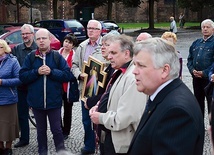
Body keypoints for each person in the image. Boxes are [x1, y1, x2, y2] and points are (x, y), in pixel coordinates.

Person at [128, 37, 204, 155]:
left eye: (141, 66)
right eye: (134, 64)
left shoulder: (176, 112)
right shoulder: (165, 95)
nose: (134, 71)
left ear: (164, 70)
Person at [89, 34, 147, 155]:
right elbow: (112, 96)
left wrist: (99, 117)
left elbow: (125, 117)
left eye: (113, 53)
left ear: (126, 53)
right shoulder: (121, 71)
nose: (109, 57)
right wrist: (99, 105)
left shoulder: (132, 77)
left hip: (120, 144)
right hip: (111, 138)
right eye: (109, 53)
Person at [19, 28, 72, 155]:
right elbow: (22, 76)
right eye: (38, 39)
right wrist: (36, 72)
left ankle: (61, 152)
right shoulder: (31, 57)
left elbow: (68, 75)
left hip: (54, 101)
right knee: (40, 131)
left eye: (44, 38)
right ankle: (42, 152)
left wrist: (52, 72)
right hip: (36, 102)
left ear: (49, 40)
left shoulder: (56, 56)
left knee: (57, 130)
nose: (41, 41)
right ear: (35, 41)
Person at [72, 19, 108, 155]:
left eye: (94, 28)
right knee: (86, 120)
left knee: (101, 118)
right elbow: (74, 65)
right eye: (88, 28)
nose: (90, 31)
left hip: (101, 90)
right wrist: (78, 74)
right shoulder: (82, 46)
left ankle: (103, 145)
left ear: (100, 31)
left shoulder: (106, 45)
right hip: (85, 89)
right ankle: (89, 145)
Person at [82, 33, 115, 154]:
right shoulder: (108, 67)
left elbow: (108, 93)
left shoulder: (115, 69)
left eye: (107, 45)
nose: (102, 47)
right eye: (102, 44)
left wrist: (91, 102)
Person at [12, 23, 38, 148]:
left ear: (32, 34)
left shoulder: (38, 47)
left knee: (41, 113)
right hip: (21, 87)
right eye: (22, 34)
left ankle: (44, 138)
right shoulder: (17, 49)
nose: (25, 36)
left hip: (36, 86)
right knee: (22, 114)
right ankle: (24, 139)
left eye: (27, 33)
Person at [187, 19, 214, 117]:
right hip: (196, 78)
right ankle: (199, 126)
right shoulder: (196, 43)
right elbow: (190, 59)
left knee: (211, 103)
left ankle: (212, 126)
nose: (205, 29)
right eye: (203, 27)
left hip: (209, 80)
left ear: (213, 29)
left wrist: (205, 73)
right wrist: (192, 70)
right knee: (198, 102)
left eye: (208, 27)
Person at [0, 39, 21, 155]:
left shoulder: (12, 61)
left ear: (5, 49)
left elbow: (19, 79)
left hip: (8, 99)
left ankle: (8, 148)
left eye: (0, 47)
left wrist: (3, 82)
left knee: (8, 125)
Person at [58, 33, 78, 140]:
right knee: (56, 109)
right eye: (66, 41)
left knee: (67, 110)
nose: (67, 44)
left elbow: (74, 71)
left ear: (73, 45)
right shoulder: (58, 53)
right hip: (57, 86)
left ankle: (66, 131)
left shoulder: (74, 55)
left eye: (69, 43)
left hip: (68, 86)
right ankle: (59, 129)